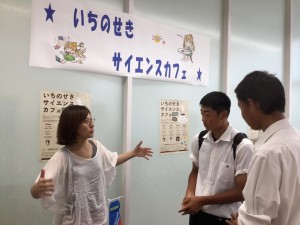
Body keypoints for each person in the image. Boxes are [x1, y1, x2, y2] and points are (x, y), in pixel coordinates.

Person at [30, 105, 153, 225]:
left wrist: (133, 153)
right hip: (75, 220)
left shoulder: (96, 146)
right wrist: (38, 189)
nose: (92, 124)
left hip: (99, 217)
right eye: (86, 121)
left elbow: (112, 160)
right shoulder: (62, 156)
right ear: (73, 126)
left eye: (91, 119)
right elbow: (35, 191)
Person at [226, 71, 300, 225]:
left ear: (253, 104)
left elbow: (256, 221)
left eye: (241, 107)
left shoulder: (268, 153)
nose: (242, 114)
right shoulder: (296, 139)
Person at [179, 91, 254, 225]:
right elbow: (195, 171)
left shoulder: (242, 146)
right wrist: (190, 194)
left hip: (226, 219)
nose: (203, 118)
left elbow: (241, 192)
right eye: (201, 113)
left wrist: (202, 200)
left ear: (223, 115)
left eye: (207, 114)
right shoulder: (199, 140)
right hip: (198, 215)